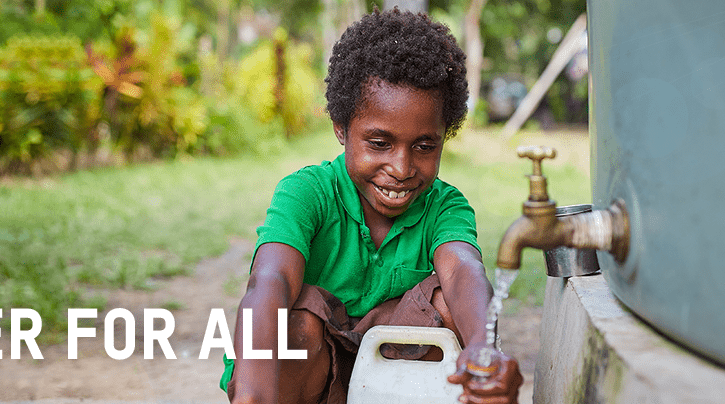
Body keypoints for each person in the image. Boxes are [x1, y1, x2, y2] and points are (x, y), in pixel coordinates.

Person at [222, 8, 523, 404]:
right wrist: (253, 394)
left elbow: (464, 272)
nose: (401, 168)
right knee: (295, 322)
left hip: (393, 378)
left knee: (448, 307)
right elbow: (270, 281)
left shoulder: (443, 206)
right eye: (379, 143)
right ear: (341, 128)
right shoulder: (307, 193)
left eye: (424, 146)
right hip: (306, 377)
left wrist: (484, 349)